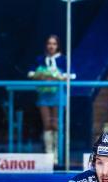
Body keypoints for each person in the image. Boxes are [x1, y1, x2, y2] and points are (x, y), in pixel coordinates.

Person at [28, 35, 75, 165]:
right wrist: (41, 75)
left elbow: (72, 75)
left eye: (54, 44)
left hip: (58, 94)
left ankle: (58, 154)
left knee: (56, 124)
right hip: (44, 95)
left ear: (58, 45)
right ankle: (49, 153)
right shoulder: (40, 59)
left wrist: (59, 77)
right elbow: (31, 73)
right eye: (49, 43)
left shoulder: (64, 59)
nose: (51, 46)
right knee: (47, 124)